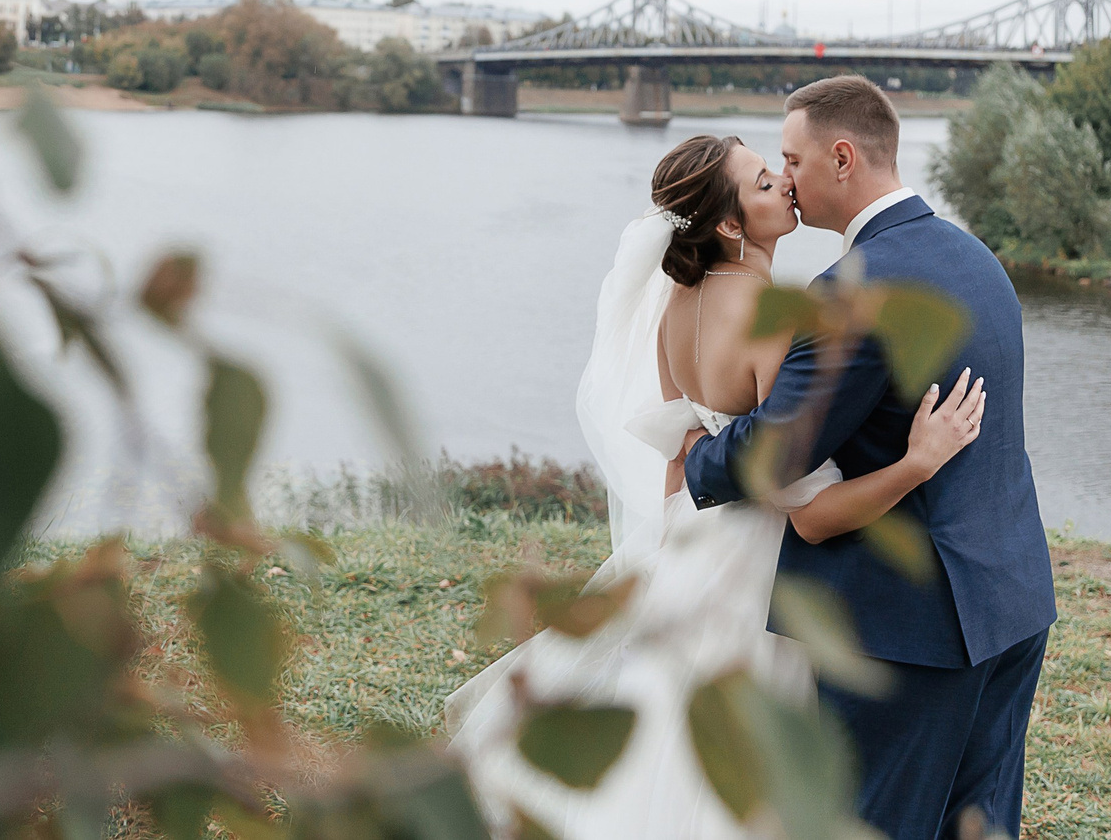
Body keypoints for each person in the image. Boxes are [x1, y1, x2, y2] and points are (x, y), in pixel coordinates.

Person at [445, 130, 987, 839]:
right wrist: (918, 460)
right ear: (731, 223)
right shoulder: (769, 316)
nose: (785, 184)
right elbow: (806, 508)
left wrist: (671, 549)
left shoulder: (679, 307)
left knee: (670, 720)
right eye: (765, 182)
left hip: (687, 542)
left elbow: (679, 452)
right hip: (753, 568)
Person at [684, 76, 1056, 840]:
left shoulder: (853, 289)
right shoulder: (975, 256)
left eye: (791, 158)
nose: (785, 176)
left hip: (909, 632)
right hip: (1012, 598)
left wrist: (695, 457)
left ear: (842, 157)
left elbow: (775, 452)